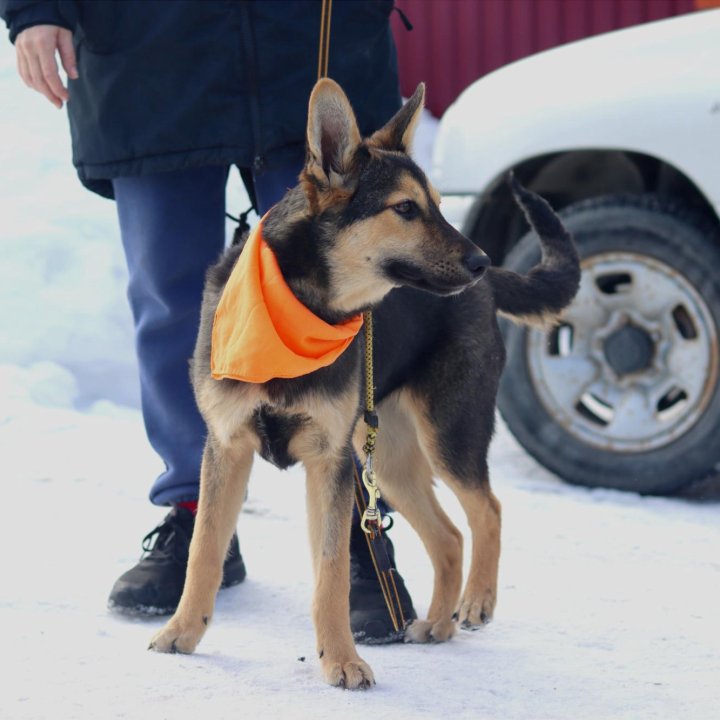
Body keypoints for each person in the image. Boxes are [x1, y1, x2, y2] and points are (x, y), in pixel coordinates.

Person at [1, 0, 415, 642]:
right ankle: (194, 510)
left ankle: (358, 523)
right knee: (172, 301)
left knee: (343, 291)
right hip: (147, 50)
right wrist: (34, 9)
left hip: (311, 37)